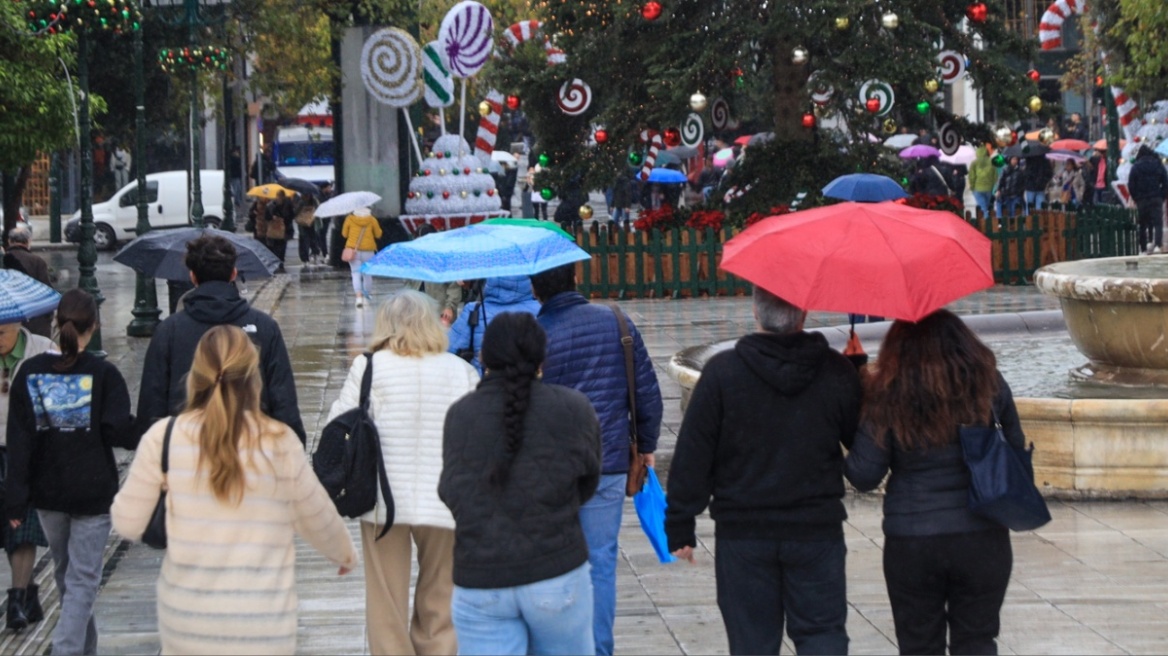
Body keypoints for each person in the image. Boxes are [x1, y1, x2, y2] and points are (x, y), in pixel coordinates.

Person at [113, 325, 357, 655]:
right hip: (263, 619)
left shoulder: (164, 437)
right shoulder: (278, 440)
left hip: (188, 619)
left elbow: (128, 522)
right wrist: (341, 551)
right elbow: (314, 513)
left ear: (196, 373)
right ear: (252, 375)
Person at [665, 288, 861, 655]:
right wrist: (857, 376)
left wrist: (680, 522)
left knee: (752, 642)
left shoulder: (723, 372)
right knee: (822, 635)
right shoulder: (835, 371)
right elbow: (859, 442)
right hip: (815, 531)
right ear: (804, 314)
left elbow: (694, 452)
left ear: (756, 311)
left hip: (744, 533)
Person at [844, 310, 1022, 655]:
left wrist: (856, 389)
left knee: (919, 646)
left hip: (912, 540)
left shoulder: (887, 394)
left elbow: (864, 475)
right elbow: (1016, 457)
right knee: (978, 642)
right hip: (983, 537)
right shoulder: (990, 384)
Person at [327, 290, 479, 655]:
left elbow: (338, 425)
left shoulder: (368, 367)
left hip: (381, 500)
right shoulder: (461, 370)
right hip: (445, 501)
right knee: (442, 593)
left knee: (385, 599)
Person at [440, 312, 601, 655]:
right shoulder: (574, 408)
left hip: (481, 577)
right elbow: (587, 483)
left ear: (484, 357)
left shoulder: (460, 415)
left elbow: (452, 491)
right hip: (556, 570)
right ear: (542, 358)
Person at [530, 263, 663, 656]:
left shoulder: (535, 335)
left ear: (536, 290)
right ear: (575, 279)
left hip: (551, 468)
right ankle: (598, 649)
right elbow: (647, 392)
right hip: (607, 462)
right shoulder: (617, 322)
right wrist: (647, 444)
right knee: (600, 562)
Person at [5, 289, 135, 655]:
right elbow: (117, 431)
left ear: (56, 323)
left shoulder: (29, 373)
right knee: (81, 580)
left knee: (68, 577)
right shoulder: (103, 373)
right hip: (93, 491)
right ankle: (66, 648)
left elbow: (20, 441)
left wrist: (15, 500)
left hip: (48, 493)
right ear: (93, 327)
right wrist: (147, 426)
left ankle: (82, 649)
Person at [135, 235, 306, 444]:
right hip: (252, 449)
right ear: (233, 273)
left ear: (193, 277)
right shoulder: (264, 327)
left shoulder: (168, 331)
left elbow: (152, 406)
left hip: (185, 451)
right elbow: (283, 399)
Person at [0, 319, 54, 631]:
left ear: (17, 324)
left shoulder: (43, 350)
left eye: (1, 333)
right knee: (7, 529)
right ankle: (29, 592)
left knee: (21, 527)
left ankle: (16, 600)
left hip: (29, 452)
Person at [447, 276, 541, 374]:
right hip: (528, 382)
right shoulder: (541, 310)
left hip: (481, 382)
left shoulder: (474, 310)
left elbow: (449, 350)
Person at [404, 225, 463, 325]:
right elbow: (408, 284)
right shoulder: (414, 260)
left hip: (439, 313)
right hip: (416, 313)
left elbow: (454, 287)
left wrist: (449, 307)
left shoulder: (444, 259)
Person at [3, 225, 55, 338]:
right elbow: (46, 292)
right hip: (34, 322)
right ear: (28, 241)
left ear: (9, 241)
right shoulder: (37, 261)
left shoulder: (3, 260)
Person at [1127, 145, 1168, 254]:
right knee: (1158, 222)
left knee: (1142, 224)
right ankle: (1158, 245)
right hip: (1156, 197)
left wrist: (1136, 197)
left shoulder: (1136, 166)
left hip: (1142, 199)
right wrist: (1162, 196)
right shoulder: (1158, 164)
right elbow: (1165, 181)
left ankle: (1143, 247)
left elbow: (1131, 184)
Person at [341, 207, 383, 307]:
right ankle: (366, 296)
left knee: (355, 274)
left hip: (353, 250)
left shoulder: (349, 219)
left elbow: (344, 234)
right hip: (368, 250)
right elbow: (378, 234)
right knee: (367, 275)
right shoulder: (372, 219)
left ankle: (358, 297)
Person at [968, 146, 999, 217]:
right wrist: (994, 186)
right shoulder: (992, 162)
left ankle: (986, 223)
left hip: (978, 188)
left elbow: (972, 177)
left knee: (983, 208)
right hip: (989, 188)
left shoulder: (974, 163)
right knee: (986, 206)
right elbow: (995, 176)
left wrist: (972, 187)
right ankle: (988, 221)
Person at [267, 190, 294, 270]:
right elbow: (267, 216)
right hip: (275, 229)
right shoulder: (271, 205)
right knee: (275, 246)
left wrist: (284, 219)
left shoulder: (288, 204)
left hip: (285, 229)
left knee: (282, 246)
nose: (278, 198)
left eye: (279, 196)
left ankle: (281, 261)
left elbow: (291, 215)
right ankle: (276, 261)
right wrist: (273, 217)